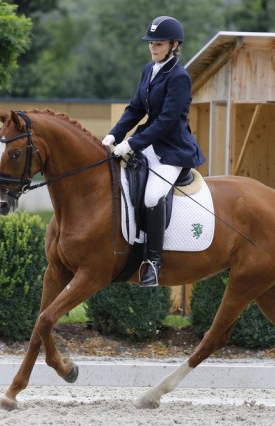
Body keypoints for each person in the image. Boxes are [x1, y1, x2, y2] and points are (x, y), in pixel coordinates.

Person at [101, 16, 206, 287]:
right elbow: (136, 108)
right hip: (149, 143)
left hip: (172, 150)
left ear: (173, 45)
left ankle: (153, 261)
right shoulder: (149, 69)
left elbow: (166, 121)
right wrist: (115, 134)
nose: (153, 48)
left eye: (158, 44)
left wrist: (133, 144)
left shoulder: (180, 77)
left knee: (151, 196)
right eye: (151, 43)